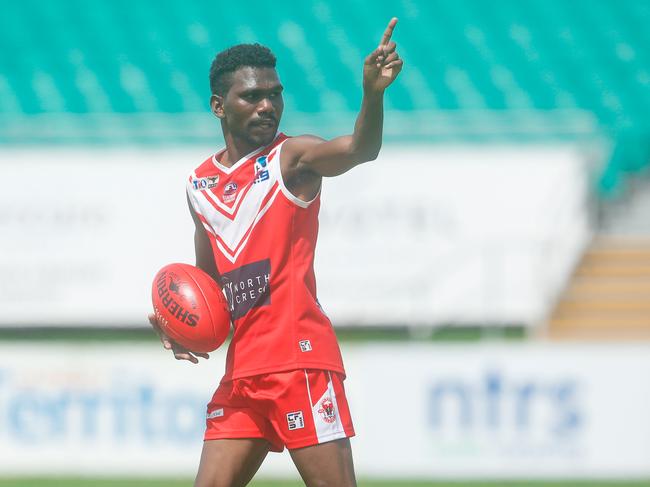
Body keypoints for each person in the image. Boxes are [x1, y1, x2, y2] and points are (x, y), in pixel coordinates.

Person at [149, 17, 402, 487]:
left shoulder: (293, 159)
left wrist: (373, 93)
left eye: (276, 93)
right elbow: (213, 288)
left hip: (298, 361)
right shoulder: (198, 185)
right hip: (243, 371)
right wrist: (178, 322)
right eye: (252, 96)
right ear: (218, 106)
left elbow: (359, 149)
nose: (268, 105)